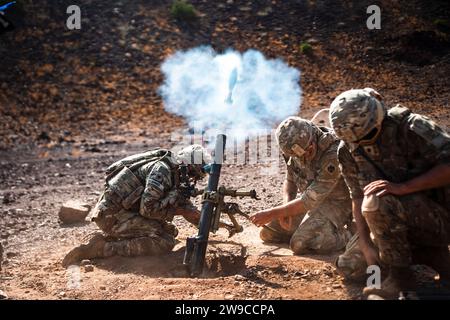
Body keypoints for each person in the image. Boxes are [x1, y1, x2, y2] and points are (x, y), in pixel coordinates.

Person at [330, 88, 450, 299]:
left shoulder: (411, 128)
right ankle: (429, 256)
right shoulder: (347, 148)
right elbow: (357, 196)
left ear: (379, 119)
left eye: (366, 137)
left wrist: (404, 188)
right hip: (395, 224)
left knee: (378, 201)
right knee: (352, 265)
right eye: (354, 141)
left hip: (441, 216)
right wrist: (366, 244)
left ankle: (400, 277)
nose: (359, 145)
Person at [62, 145, 212, 267]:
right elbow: (147, 209)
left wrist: (209, 223)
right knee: (164, 241)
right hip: (112, 217)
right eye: (193, 173)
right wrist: (177, 210)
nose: (193, 179)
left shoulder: (174, 174)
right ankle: (102, 248)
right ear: (186, 165)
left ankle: (112, 238)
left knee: (170, 231)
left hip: (123, 212)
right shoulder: (162, 171)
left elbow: (188, 209)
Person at [250, 116, 353, 255]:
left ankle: (349, 236)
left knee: (299, 243)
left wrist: (274, 212)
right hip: (311, 203)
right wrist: (285, 211)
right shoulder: (292, 149)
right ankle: (312, 229)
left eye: (307, 154)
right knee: (269, 233)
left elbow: (309, 200)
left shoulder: (333, 153)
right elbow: (290, 180)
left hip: (337, 205)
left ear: (312, 144)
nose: (301, 159)